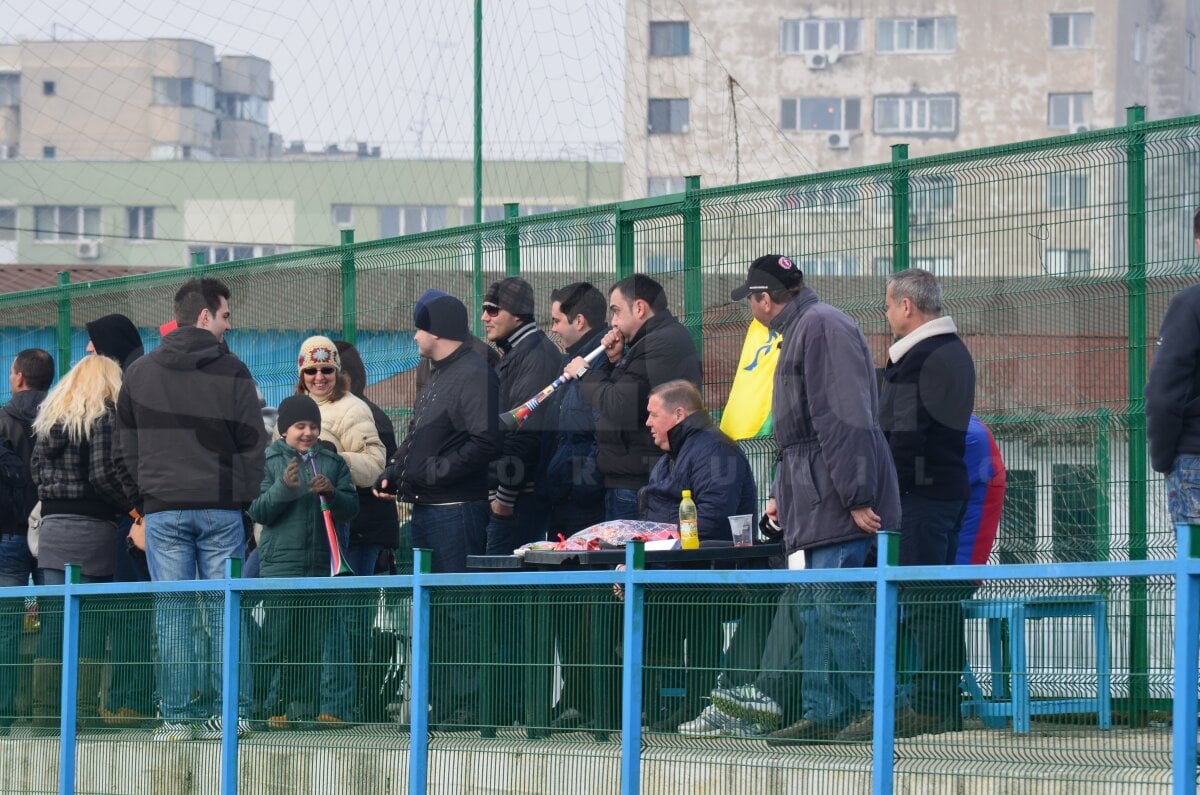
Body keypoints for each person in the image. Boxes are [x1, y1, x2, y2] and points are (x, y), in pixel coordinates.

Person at [715, 254, 900, 745]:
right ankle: (827, 710)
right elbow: (799, 434)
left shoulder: (820, 328)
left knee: (838, 606)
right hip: (816, 496)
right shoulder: (804, 329)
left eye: (751, 300)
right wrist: (781, 492)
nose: (750, 311)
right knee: (817, 609)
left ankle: (875, 710)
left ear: (764, 299)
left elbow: (845, 419)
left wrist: (858, 495)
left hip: (836, 497)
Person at [116, 277, 267, 741]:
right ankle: (234, 712)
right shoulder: (234, 370)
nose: (229, 323)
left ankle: (178, 717)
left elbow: (125, 447)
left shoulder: (139, 372)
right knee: (225, 607)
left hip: (163, 508)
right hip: (220, 507)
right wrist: (239, 498)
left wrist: (145, 500)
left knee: (174, 611)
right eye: (225, 314)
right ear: (205, 316)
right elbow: (253, 445)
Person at [375, 290, 499, 729]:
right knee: (436, 613)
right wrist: (395, 470)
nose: (413, 337)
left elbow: (485, 441)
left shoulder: (473, 373)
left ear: (436, 330)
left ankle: (466, 706)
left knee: (460, 612)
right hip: (429, 509)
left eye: (418, 327)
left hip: (457, 510)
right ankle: (443, 704)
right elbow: (420, 435)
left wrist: (433, 472)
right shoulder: (437, 373)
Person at [869, 267, 975, 740]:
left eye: (889, 306)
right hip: (945, 491)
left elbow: (904, 437)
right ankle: (940, 703)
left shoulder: (918, 358)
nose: (887, 314)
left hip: (919, 497)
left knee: (925, 600)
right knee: (938, 600)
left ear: (907, 307)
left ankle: (930, 706)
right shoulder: (953, 350)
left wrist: (882, 492)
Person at [28, 354, 140, 732]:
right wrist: (132, 506)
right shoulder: (104, 416)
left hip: (53, 527)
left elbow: (36, 473)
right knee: (90, 623)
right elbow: (103, 475)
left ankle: (45, 713)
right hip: (92, 528)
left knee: (54, 624)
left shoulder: (50, 419)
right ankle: (83, 713)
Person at [640, 379, 758, 731]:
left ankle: (693, 702)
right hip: (672, 565)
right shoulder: (670, 458)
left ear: (678, 414)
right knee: (601, 598)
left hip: (715, 571)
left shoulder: (715, 450)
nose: (647, 423)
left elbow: (711, 520)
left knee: (632, 604)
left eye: (653, 414)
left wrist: (656, 546)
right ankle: (613, 704)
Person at [248, 395, 357, 730]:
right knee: (274, 641)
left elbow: (351, 508)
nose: (308, 432)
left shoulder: (331, 461)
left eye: (313, 426)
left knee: (308, 644)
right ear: (284, 431)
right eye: (300, 426)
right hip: (281, 567)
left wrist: (332, 495)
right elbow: (258, 510)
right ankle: (258, 707)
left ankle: (297, 709)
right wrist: (283, 488)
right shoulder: (269, 461)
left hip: (320, 566)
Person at [293, 335, 386, 726]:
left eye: (326, 369)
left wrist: (332, 458)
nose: (319, 377)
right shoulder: (292, 407)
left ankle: (335, 705)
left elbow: (375, 464)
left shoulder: (353, 408)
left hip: (335, 528)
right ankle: (291, 702)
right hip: (292, 530)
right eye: (311, 371)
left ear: (337, 371)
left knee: (334, 619)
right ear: (301, 373)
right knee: (290, 616)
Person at [564, 274, 702, 521]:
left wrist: (584, 373)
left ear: (639, 308)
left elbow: (619, 405)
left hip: (637, 479)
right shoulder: (647, 343)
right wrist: (614, 360)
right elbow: (625, 393)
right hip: (629, 475)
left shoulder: (660, 343)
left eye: (616, 312)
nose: (613, 322)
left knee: (629, 558)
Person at [82, 313, 156, 727]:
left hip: (134, 517)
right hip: (138, 512)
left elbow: (109, 469)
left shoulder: (122, 388)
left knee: (130, 610)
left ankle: (130, 700)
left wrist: (135, 510)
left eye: (93, 344)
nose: (88, 351)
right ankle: (132, 698)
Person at [330, 340, 402, 723]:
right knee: (351, 618)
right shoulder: (369, 413)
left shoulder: (363, 415)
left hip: (360, 532)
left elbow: (376, 475)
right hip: (367, 532)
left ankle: (355, 700)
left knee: (350, 619)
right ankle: (358, 698)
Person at [480, 278, 562, 553]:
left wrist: (502, 497)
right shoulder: (518, 352)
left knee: (504, 591)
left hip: (518, 500)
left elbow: (527, 432)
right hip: (514, 494)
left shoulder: (536, 356)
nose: (484, 318)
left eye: (492, 310)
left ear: (516, 314)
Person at [0, 348, 53, 733]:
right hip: (54, 530)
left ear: (18, 377)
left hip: (9, 532)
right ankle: (48, 713)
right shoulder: (62, 415)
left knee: (5, 623)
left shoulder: (2, 420)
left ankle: (4, 711)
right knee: (54, 619)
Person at [540, 282, 607, 537]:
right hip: (564, 495)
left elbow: (601, 432)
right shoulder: (569, 360)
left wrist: (583, 486)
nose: (554, 328)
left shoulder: (602, 362)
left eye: (557, 320)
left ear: (579, 321)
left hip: (586, 503)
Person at [1147, 208, 1200, 523]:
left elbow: (1163, 394)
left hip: (1195, 457)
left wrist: (1163, 459)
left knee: (1194, 568)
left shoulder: (1191, 304)